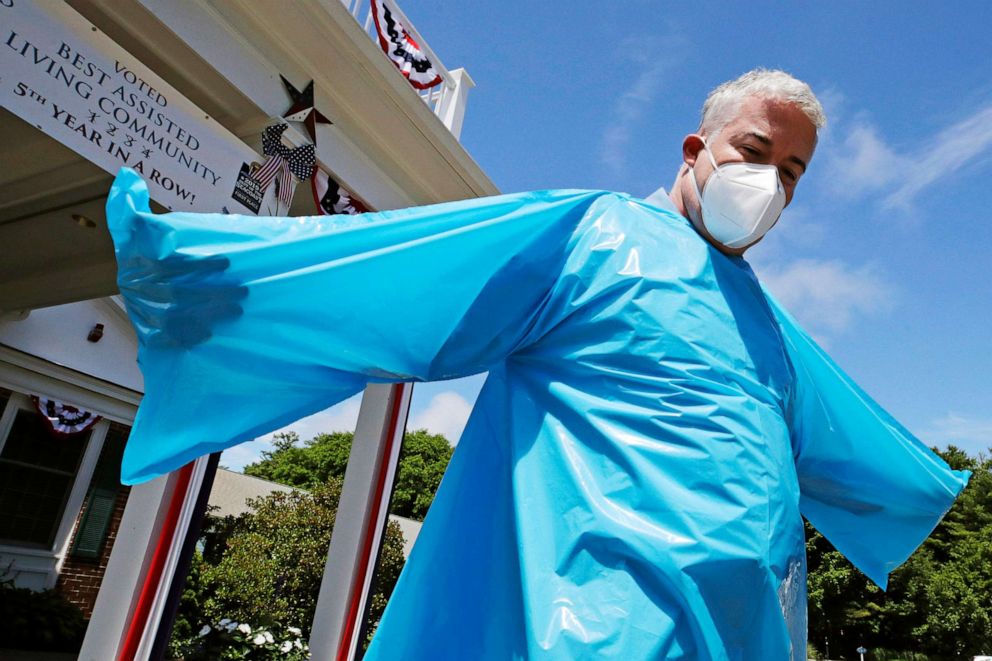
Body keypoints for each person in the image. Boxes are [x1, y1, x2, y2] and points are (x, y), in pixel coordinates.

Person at [106, 69, 969, 659]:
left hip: (743, 631)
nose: (771, 182)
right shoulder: (594, 233)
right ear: (695, 150)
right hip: (595, 624)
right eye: (754, 150)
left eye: (794, 172)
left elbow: (867, 457)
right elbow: (402, 271)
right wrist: (200, 272)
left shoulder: (775, 331)